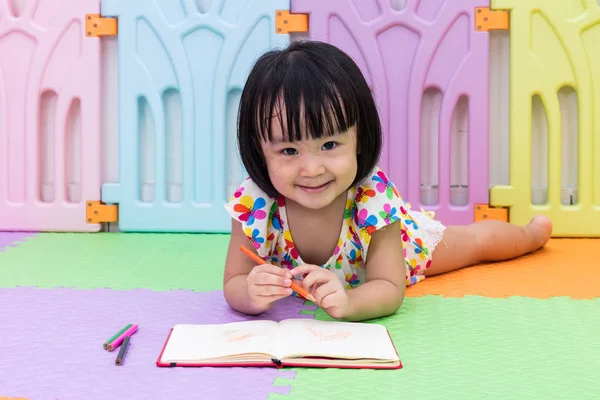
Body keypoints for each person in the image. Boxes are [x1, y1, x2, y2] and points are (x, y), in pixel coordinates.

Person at [222, 40, 552, 322]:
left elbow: (389, 288)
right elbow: (234, 280)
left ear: (360, 139)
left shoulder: (372, 199)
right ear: (259, 149)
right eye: (289, 150)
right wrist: (251, 295)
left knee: (476, 243)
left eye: (329, 145)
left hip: (403, 250)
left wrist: (350, 303)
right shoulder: (254, 203)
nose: (311, 169)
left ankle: (530, 234)